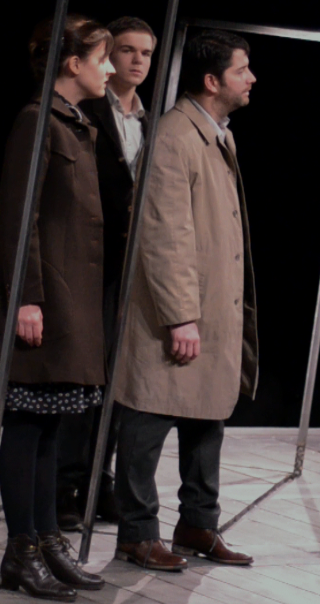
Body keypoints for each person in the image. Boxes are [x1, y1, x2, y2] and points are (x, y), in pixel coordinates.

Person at [0, 15, 115, 601]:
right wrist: (26, 298)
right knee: (27, 425)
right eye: (102, 58)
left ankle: (48, 540)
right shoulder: (37, 121)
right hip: (44, 300)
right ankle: (21, 551)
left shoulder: (75, 122)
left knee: (53, 427)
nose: (111, 69)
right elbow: (20, 217)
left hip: (71, 302)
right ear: (73, 63)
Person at [110, 29, 259, 571]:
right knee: (149, 416)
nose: (251, 78)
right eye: (242, 69)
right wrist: (180, 316)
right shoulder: (175, 136)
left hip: (212, 307)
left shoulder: (216, 135)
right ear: (212, 80)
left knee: (207, 419)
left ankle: (198, 523)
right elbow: (163, 232)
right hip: (177, 313)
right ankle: (137, 533)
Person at [56, 15, 157, 532]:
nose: (138, 61)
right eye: (127, 50)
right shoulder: (88, 111)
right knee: (85, 375)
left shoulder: (152, 120)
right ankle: (65, 486)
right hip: (93, 263)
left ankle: (100, 480)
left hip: (135, 267)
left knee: (119, 378)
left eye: (146, 53)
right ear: (108, 57)